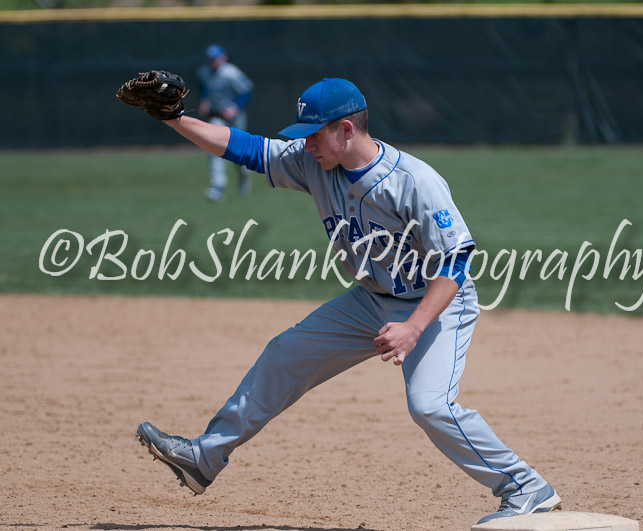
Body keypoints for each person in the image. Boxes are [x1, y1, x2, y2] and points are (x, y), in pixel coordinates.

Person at [134, 77, 562, 525]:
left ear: (346, 130)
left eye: (314, 134)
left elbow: (454, 262)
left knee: (431, 406)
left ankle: (525, 487)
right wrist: (173, 117)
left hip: (436, 304)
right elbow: (244, 148)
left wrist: (414, 327)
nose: (305, 144)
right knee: (285, 354)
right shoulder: (313, 162)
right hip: (370, 300)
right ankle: (204, 458)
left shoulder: (414, 181)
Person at [197, 44, 254, 202]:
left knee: (238, 152)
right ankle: (218, 187)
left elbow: (246, 91)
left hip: (234, 116)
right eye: (210, 59)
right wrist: (205, 100)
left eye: (215, 59)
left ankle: (244, 175)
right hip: (216, 115)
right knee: (213, 148)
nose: (212, 62)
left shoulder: (231, 72)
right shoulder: (204, 72)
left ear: (223, 58)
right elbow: (203, 87)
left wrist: (235, 107)